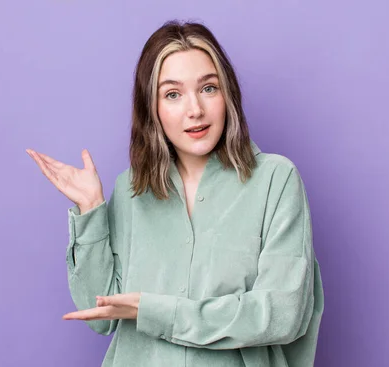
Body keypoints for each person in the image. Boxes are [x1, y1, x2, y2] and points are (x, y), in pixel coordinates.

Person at [27, 20, 324, 367]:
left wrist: (155, 312)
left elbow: (280, 314)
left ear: (227, 94)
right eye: (172, 94)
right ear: (151, 109)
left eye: (209, 88)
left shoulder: (276, 180)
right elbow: (101, 317)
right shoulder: (130, 190)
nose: (194, 109)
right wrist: (91, 208)